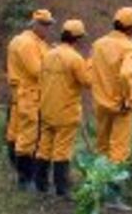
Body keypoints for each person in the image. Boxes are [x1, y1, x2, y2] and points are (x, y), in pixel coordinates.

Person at [90, 6, 132, 209]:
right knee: (119, 151)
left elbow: (90, 69)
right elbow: (125, 75)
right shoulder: (129, 48)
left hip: (101, 103)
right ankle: (113, 197)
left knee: (102, 147)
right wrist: (127, 99)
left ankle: (98, 191)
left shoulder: (98, 44)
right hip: (120, 106)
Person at [35, 19, 93, 197]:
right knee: (62, 150)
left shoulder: (48, 54)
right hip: (66, 112)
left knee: (44, 147)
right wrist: (90, 62)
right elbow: (88, 82)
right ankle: (62, 188)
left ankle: (41, 185)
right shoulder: (75, 59)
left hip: (46, 109)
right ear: (77, 38)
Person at [7, 8, 54, 190]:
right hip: (29, 95)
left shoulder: (34, 42)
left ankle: (27, 177)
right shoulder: (27, 43)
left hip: (27, 94)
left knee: (19, 134)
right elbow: (36, 70)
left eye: (49, 25)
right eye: (44, 25)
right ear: (34, 24)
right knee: (28, 137)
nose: (47, 29)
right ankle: (26, 179)